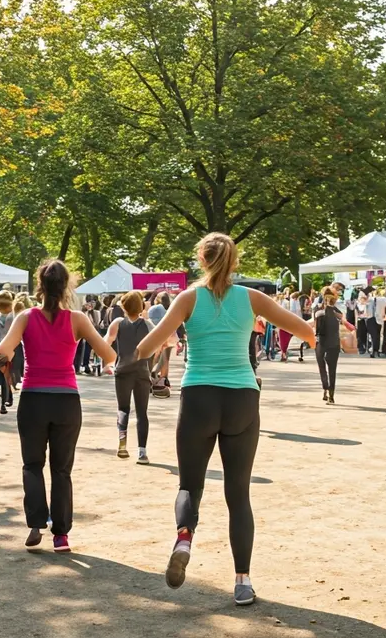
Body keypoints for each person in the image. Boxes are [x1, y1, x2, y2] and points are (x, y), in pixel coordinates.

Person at [134, 233, 315, 607]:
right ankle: (243, 582)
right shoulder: (252, 299)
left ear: (201, 259)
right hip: (242, 398)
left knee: (190, 486)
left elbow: (144, 347)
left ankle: (184, 537)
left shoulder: (187, 299)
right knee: (238, 494)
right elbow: (305, 331)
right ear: (234, 262)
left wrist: (170, 342)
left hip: (199, 395)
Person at [0, 259, 116, 554]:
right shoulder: (77, 319)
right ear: (66, 287)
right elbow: (108, 355)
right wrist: (108, 338)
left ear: (40, 285)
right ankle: (61, 535)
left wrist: (5, 365)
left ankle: (36, 524)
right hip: (66, 401)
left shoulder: (25, 317)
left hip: (34, 398)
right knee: (62, 469)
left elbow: (1, 352)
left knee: (32, 464)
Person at [104, 291, 155, 463]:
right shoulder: (148, 324)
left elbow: (106, 342)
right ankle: (142, 452)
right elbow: (160, 343)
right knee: (142, 412)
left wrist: (108, 362)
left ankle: (122, 442)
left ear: (123, 307)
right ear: (141, 306)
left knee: (123, 408)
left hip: (122, 371)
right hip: (142, 372)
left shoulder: (118, 323)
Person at [311, 286, 354, 405]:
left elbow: (314, 325)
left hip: (321, 341)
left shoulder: (317, 309)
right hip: (334, 342)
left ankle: (325, 388)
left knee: (322, 367)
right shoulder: (337, 312)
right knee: (332, 369)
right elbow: (344, 323)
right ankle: (331, 395)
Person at [355, 290, 372, 355]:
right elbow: (356, 315)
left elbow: (367, 314)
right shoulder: (357, 305)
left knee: (367, 335)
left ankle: (368, 347)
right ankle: (361, 348)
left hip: (367, 320)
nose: (362, 299)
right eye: (361, 298)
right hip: (360, 321)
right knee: (360, 335)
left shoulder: (367, 305)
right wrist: (356, 324)